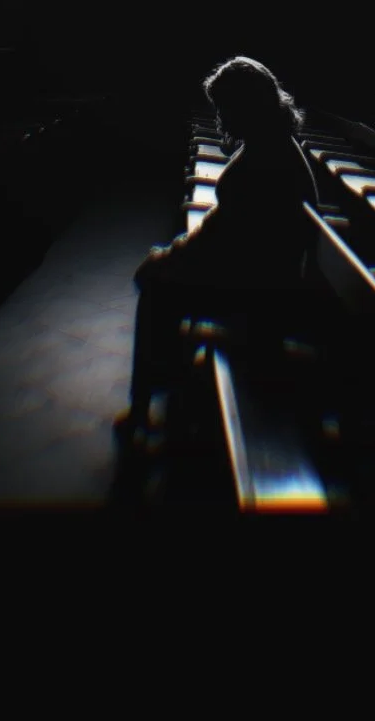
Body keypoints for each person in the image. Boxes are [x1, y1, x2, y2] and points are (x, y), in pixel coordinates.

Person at [114, 55, 319, 450]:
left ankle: (143, 408)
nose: (221, 118)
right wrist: (176, 253)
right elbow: (227, 229)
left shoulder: (266, 157)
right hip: (259, 272)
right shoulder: (270, 142)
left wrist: (168, 258)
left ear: (247, 106)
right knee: (163, 277)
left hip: (259, 291)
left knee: (157, 290)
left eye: (226, 108)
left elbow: (222, 240)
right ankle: (167, 384)